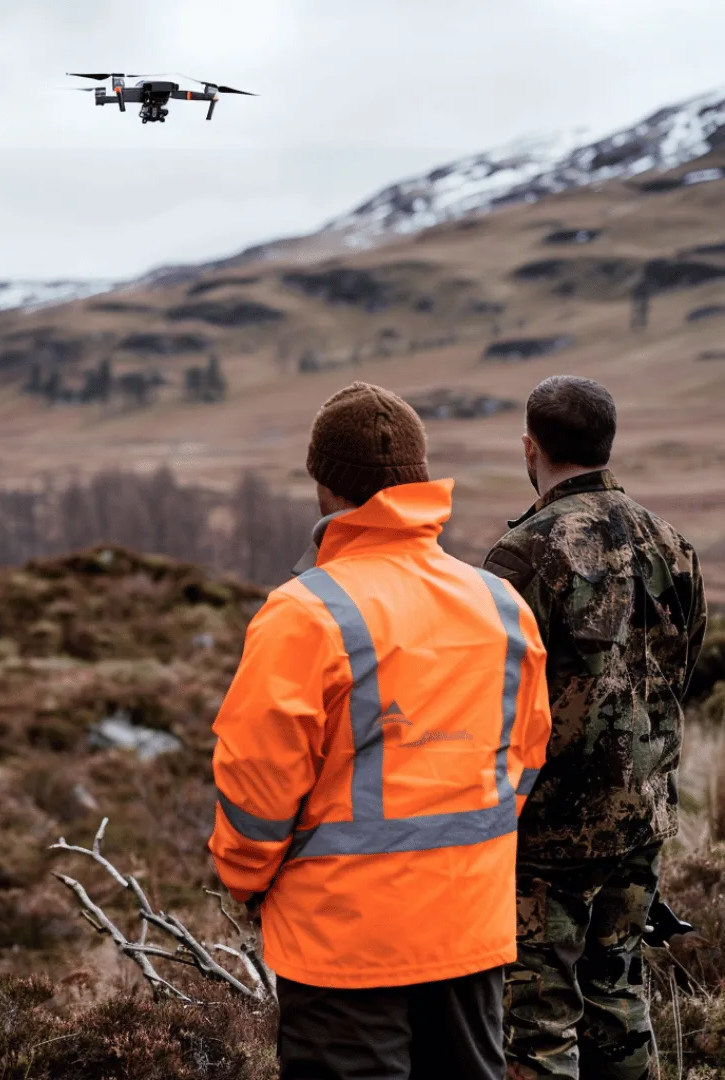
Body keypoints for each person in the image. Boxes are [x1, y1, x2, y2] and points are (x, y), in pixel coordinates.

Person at [209, 383, 552, 1080]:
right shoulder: (499, 603)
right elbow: (523, 759)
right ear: (419, 477)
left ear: (324, 485)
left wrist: (246, 878)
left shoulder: (303, 614)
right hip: (469, 932)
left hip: (344, 946)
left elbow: (257, 788)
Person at [483, 376, 707, 1080]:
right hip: (643, 816)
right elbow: (684, 669)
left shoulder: (521, 555)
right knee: (617, 997)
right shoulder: (674, 544)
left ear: (531, 447)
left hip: (549, 833)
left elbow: (494, 699)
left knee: (540, 1025)